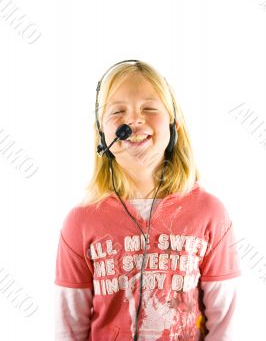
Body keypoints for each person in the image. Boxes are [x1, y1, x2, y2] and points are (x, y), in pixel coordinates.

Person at [54, 60, 241, 340]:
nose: (134, 120)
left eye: (150, 109)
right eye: (118, 111)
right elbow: (68, 327)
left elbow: (226, 323)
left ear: (173, 125)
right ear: (102, 134)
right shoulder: (80, 221)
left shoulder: (210, 213)